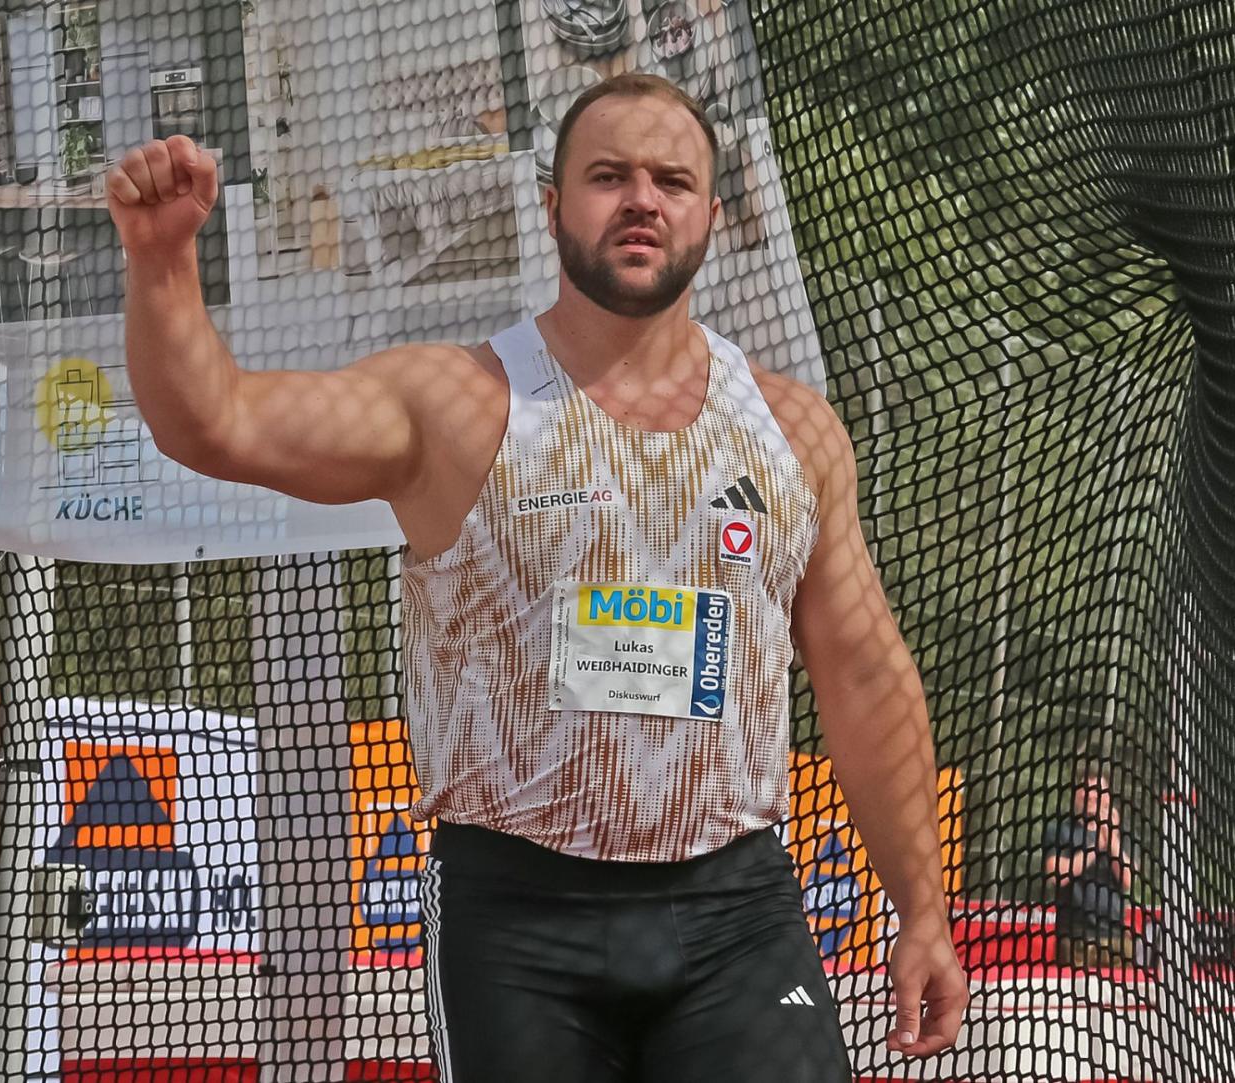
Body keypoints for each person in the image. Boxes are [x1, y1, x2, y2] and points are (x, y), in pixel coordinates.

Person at [110, 72, 967, 1081]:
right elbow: (216, 423)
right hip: (517, 922)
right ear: (553, 205)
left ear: (711, 214)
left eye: (672, 181)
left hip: (735, 915)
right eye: (609, 177)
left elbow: (863, 676)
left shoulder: (793, 431)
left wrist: (922, 909)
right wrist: (162, 263)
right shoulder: (455, 403)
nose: (642, 200)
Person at [1042, 770, 1134, 968]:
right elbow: (1057, 875)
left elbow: (1128, 880)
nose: (1092, 795)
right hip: (1075, 938)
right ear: (1076, 795)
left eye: (1097, 791)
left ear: (1107, 798)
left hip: (1115, 938)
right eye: (1086, 790)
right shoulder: (1060, 830)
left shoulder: (1122, 834)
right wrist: (1096, 846)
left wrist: (1110, 838)